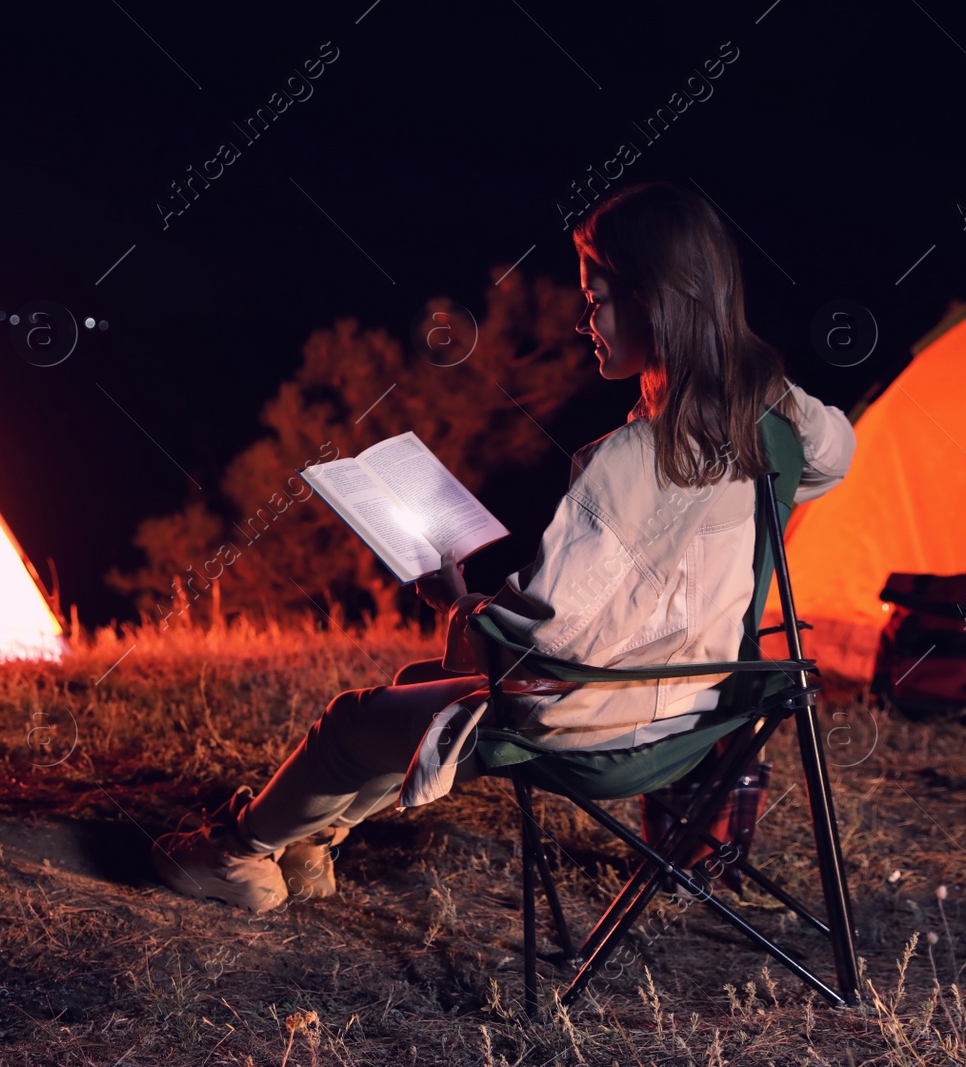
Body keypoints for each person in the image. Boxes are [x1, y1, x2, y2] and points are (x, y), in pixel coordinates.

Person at [149, 181, 858, 913]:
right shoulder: (769, 427)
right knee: (418, 681)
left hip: (603, 724)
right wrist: (764, 386)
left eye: (598, 299)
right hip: (703, 706)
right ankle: (311, 844)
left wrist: (458, 602)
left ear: (656, 299)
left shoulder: (636, 457)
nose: (587, 321)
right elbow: (836, 451)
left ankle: (237, 856)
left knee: (349, 719)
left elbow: (536, 647)